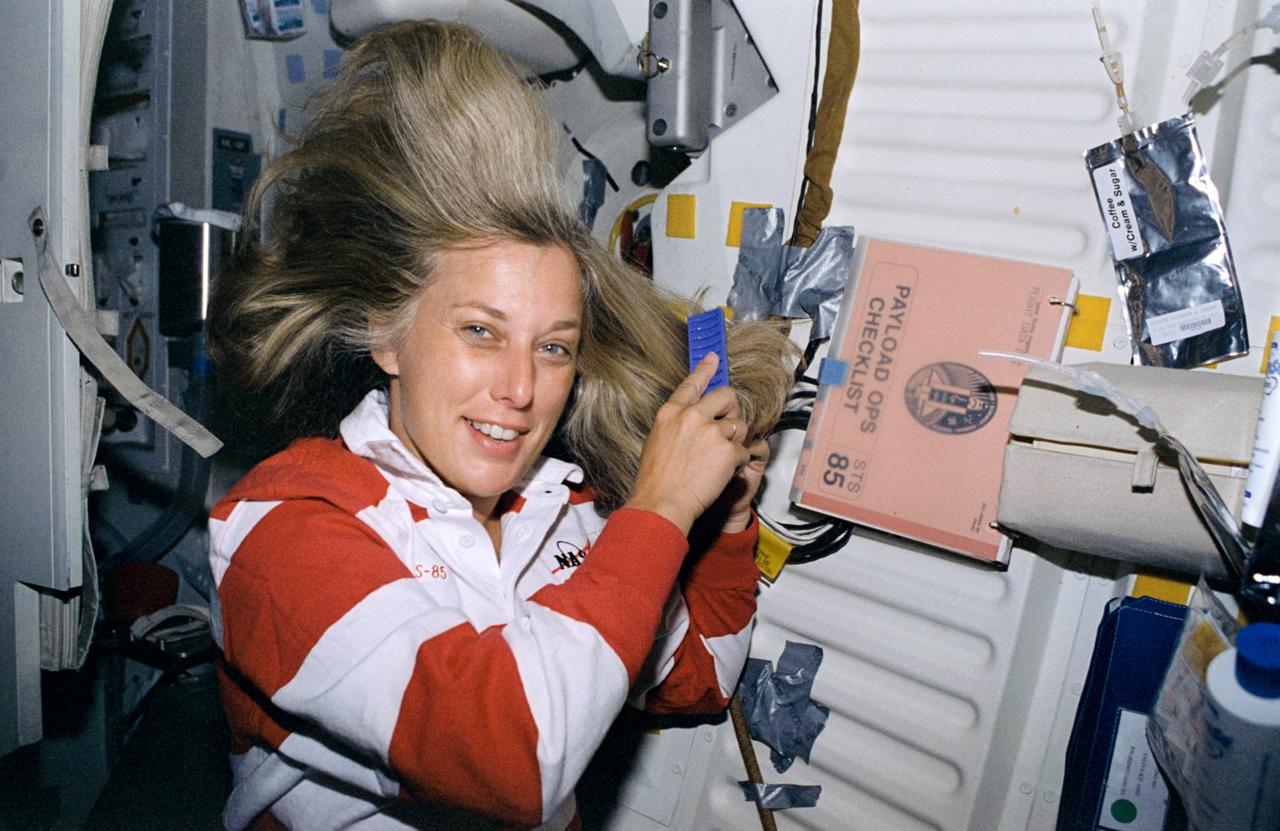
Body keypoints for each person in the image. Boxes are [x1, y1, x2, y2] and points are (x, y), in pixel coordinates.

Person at [206, 20, 794, 831]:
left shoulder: (571, 511)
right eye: (480, 330)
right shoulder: (283, 529)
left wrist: (724, 522)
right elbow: (514, 753)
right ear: (387, 335)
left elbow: (698, 675)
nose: (520, 387)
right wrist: (657, 510)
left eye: (553, 347)